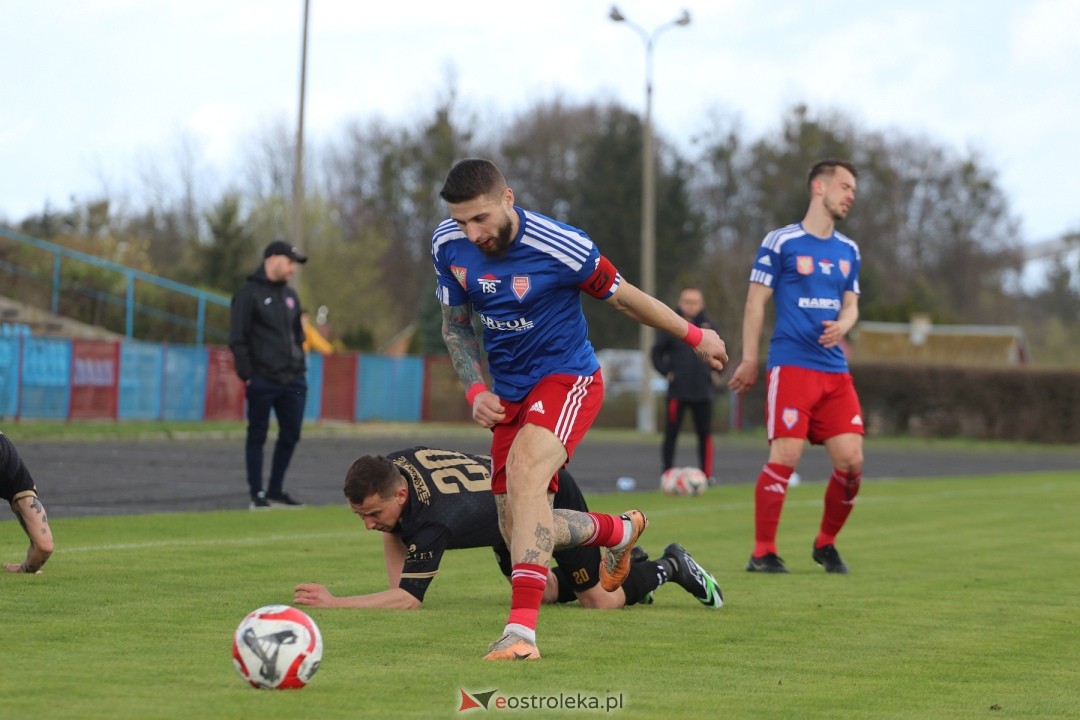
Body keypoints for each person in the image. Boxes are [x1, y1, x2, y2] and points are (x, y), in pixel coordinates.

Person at [432, 159, 728, 660]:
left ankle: (521, 635)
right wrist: (475, 389)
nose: (472, 232)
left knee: (527, 477)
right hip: (509, 394)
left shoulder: (560, 244)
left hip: (568, 380)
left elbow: (626, 299)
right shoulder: (447, 243)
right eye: (462, 221)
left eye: (480, 218)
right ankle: (618, 530)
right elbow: (455, 324)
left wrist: (695, 335)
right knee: (516, 528)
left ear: (508, 198)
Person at [293, 447, 723, 613]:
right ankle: (627, 571)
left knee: (597, 601)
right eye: (360, 517)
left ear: (400, 496)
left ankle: (670, 566)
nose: (368, 524)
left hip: (545, 493)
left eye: (371, 514)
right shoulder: (390, 469)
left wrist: (337, 603)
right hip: (502, 510)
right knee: (551, 593)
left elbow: (406, 598)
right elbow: (396, 558)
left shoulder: (432, 521)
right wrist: (386, 528)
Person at [727, 159, 864, 575]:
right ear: (819, 188)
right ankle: (762, 551)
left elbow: (852, 305)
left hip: (835, 372)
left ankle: (826, 544)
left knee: (852, 462)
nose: (850, 195)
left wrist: (843, 324)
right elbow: (756, 302)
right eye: (844, 186)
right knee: (787, 454)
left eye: (853, 190)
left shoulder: (849, 250)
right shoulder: (781, 241)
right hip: (792, 366)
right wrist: (751, 359)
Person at [229, 240, 309, 510]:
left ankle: (275, 490)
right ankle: (257, 494)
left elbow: (298, 336)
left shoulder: (290, 296)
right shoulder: (247, 294)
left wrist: (299, 361)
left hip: (294, 380)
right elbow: (237, 338)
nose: (292, 269)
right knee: (258, 434)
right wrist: (247, 374)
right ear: (273, 258)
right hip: (262, 379)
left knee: (291, 433)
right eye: (289, 262)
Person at [651, 287, 721, 481]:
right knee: (671, 433)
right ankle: (667, 473)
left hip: (703, 391)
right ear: (680, 303)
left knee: (704, 434)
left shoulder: (710, 326)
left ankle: (707, 476)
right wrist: (667, 372)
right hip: (678, 391)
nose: (690, 305)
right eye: (687, 301)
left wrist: (715, 372)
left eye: (694, 302)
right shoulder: (671, 325)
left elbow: (721, 352)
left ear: (702, 304)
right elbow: (656, 353)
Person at [1, 432, 55, 574]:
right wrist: (25, 569)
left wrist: (23, 569)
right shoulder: (9, 463)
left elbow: (44, 546)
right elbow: (44, 547)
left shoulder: (9, 464)